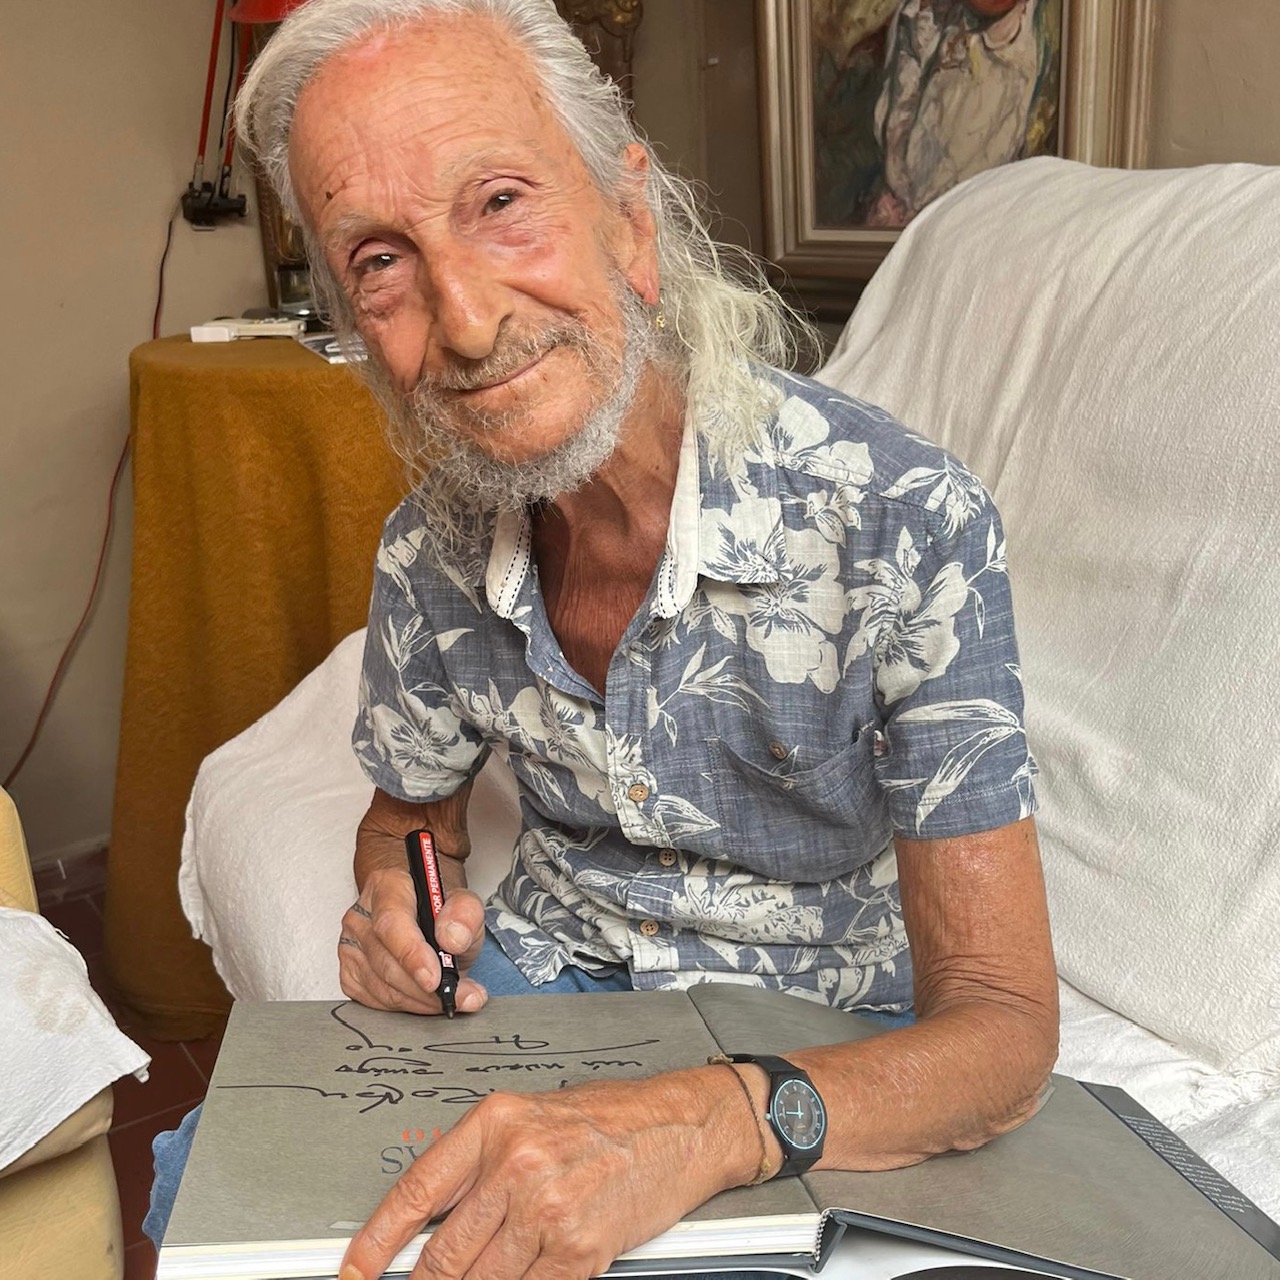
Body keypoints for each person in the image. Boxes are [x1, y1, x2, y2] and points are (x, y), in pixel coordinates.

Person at [147, 1, 1059, 1276]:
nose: (466, 321)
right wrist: (397, 908)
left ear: (629, 216)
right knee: (214, 1197)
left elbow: (1003, 1030)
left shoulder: (902, 521)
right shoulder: (428, 557)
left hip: (817, 1036)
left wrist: (697, 1123)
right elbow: (409, 819)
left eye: (499, 202)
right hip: (547, 991)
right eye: (379, 260)